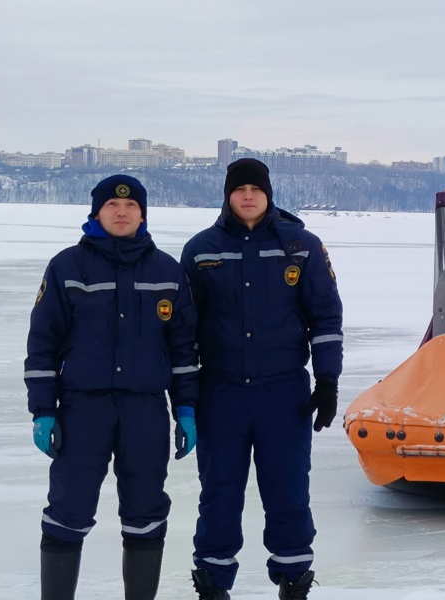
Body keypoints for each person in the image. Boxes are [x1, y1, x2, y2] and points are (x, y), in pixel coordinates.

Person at [24, 174, 199, 600]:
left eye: (131, 207)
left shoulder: (167, 271)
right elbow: (42, 343)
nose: (122, 212)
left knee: (146, 512)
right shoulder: (66, 267)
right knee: (68, 509)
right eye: (112, 206)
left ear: (142, 214)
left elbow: (183, 349)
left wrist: (187, 409)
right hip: (83, 408)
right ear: (97, 212)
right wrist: (44, 409)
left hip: (145, 410)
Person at [181, 158, 343, 599]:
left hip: (283, 392)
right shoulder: (201, 250)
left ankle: (294, 581)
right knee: (219, 492)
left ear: (268, 194)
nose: (247, 195)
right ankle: (213, 584)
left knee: (288, 489)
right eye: (239, 189)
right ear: (228, 195)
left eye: (256, 188)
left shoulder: (302, 246)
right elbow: (184, 330)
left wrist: (326, 381)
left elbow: (325, 317)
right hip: (221, 392)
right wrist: (185, 397)